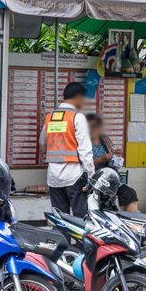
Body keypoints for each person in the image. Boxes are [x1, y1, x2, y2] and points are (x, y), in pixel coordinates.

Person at [40, 82, 94, 218]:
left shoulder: (50, 118)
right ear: (78, 97)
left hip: (53, 178)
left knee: (60, 221)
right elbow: (85, 152)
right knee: (80, 221)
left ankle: (63, 240)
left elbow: (42, 144)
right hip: (74, 176)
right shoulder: (78, 118)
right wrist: (91, 177)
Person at [86, 113, 138, 212]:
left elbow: (115, 165)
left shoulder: (106, 141)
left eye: (95, 126)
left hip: (110, 180)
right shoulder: (83, 143)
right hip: (93, 181)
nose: (92, 129)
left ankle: (129, 224)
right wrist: (101, 159)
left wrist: (117, 156)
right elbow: (82, 164)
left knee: (130, 194)